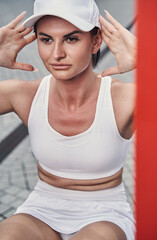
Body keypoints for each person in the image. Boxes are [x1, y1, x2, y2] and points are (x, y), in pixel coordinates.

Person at [0, 0, 137, 239]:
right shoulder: (25, 95)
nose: (57, 54)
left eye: (71, 39)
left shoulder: (122, 99)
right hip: (41, 209)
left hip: (105, 214)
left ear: (95, 41)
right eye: (46, 39)